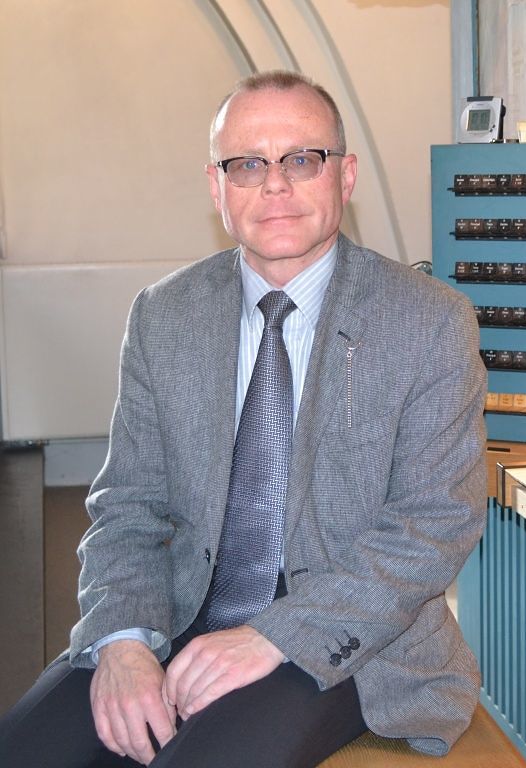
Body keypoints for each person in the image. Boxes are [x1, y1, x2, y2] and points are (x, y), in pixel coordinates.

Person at [0, 70, 487, 768]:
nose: (275, 185)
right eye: (248, 163)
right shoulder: (164, 315)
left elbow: (433, 525)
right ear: (217, 187)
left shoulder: (429, 321)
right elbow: (127, 508)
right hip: (178, 614)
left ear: (345, 177)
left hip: (346, 637)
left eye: (302, 159)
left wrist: (272, 636)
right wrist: (127, 641)